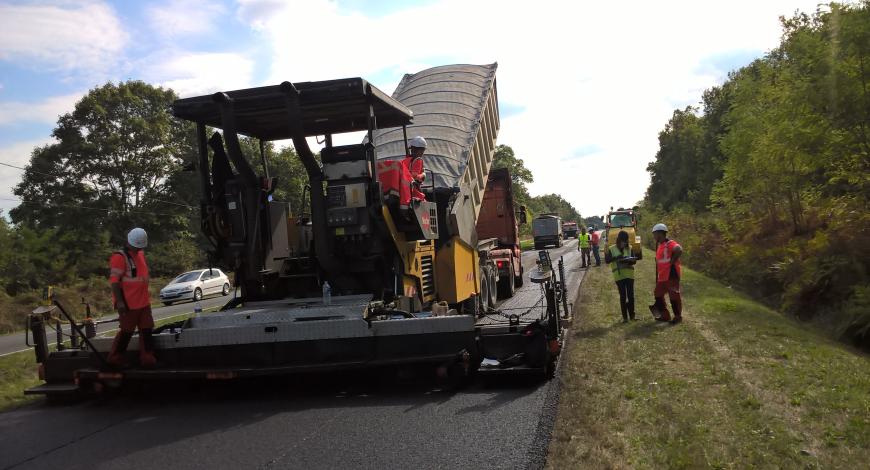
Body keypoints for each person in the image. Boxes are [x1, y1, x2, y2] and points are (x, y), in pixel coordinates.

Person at [107, 228, 156, 368]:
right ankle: (115, 359)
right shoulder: (119, 257)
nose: (138, 248)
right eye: (137, 246)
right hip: (129, 304)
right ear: (129, 242)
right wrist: (120, 302)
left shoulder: (140, 254)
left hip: (143, 302)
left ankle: (148, 359)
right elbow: (114, 282)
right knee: (126, 332)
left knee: (147, 330)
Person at [649, 223, 683, 324]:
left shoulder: (669, 243)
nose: (654, 236)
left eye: (655, 234)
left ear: (660, 233)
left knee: (674, 297)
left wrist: (672, 261)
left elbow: (679, 249)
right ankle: (665, 316)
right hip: (663, 276)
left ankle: (677, 317)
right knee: (658, 294)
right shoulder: (660, 245)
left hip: (671, 275)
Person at [604, 230, 637, 322]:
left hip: (629, 275)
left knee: (631, 296)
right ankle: (625, 318)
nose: (625, 242)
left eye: (626, 240)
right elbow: (607, 260)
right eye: (623, 240)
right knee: (623, 296)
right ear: (619, 240)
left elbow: (634, 260)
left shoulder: (629, 248)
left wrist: (629, 260)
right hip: (619, 276)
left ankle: (632, 316)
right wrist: (616, 258)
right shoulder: (612, 248)